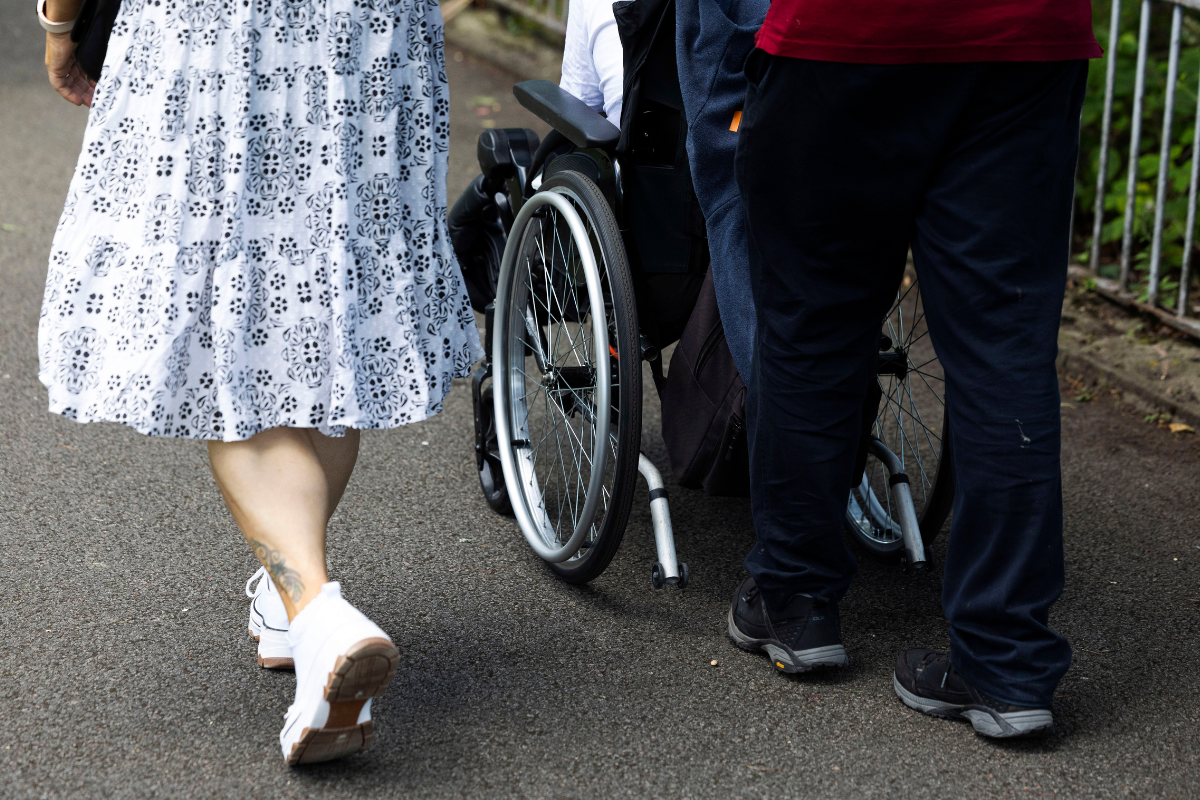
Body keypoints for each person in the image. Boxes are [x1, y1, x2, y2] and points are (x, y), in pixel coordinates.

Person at [38, 0, 481, 764]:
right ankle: (285, 606)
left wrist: (57, 24)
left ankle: (315, 611)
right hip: (369, 30)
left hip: (219, 32)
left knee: (227, 333)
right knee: (332, 298)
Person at [726, 0, 1100, 738]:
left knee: (813, 319)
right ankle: (1006, 663)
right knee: (1004, 343)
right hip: (1023, 37)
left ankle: (796, 598)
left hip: (842, 33)